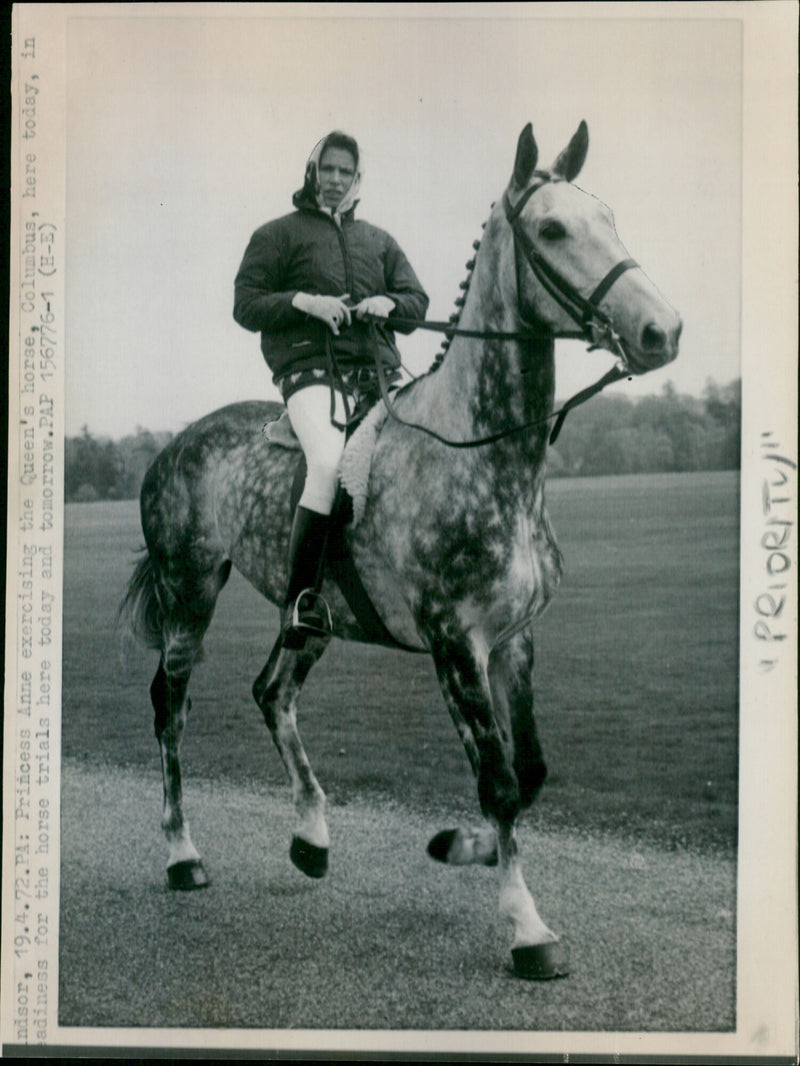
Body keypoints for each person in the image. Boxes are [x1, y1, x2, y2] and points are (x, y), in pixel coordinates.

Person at [234, 131, 429, 644]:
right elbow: (246, 305)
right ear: (312, 172)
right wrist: (304, 301)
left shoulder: (380, 241)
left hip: (378, 376)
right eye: (329, 170)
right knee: (326, 462)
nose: (337, 180)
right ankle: (302, 601)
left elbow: (416, 303)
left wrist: (390, 304)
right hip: (310, 374)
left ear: (358, 177)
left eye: (346, 171)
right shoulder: (276, 235)